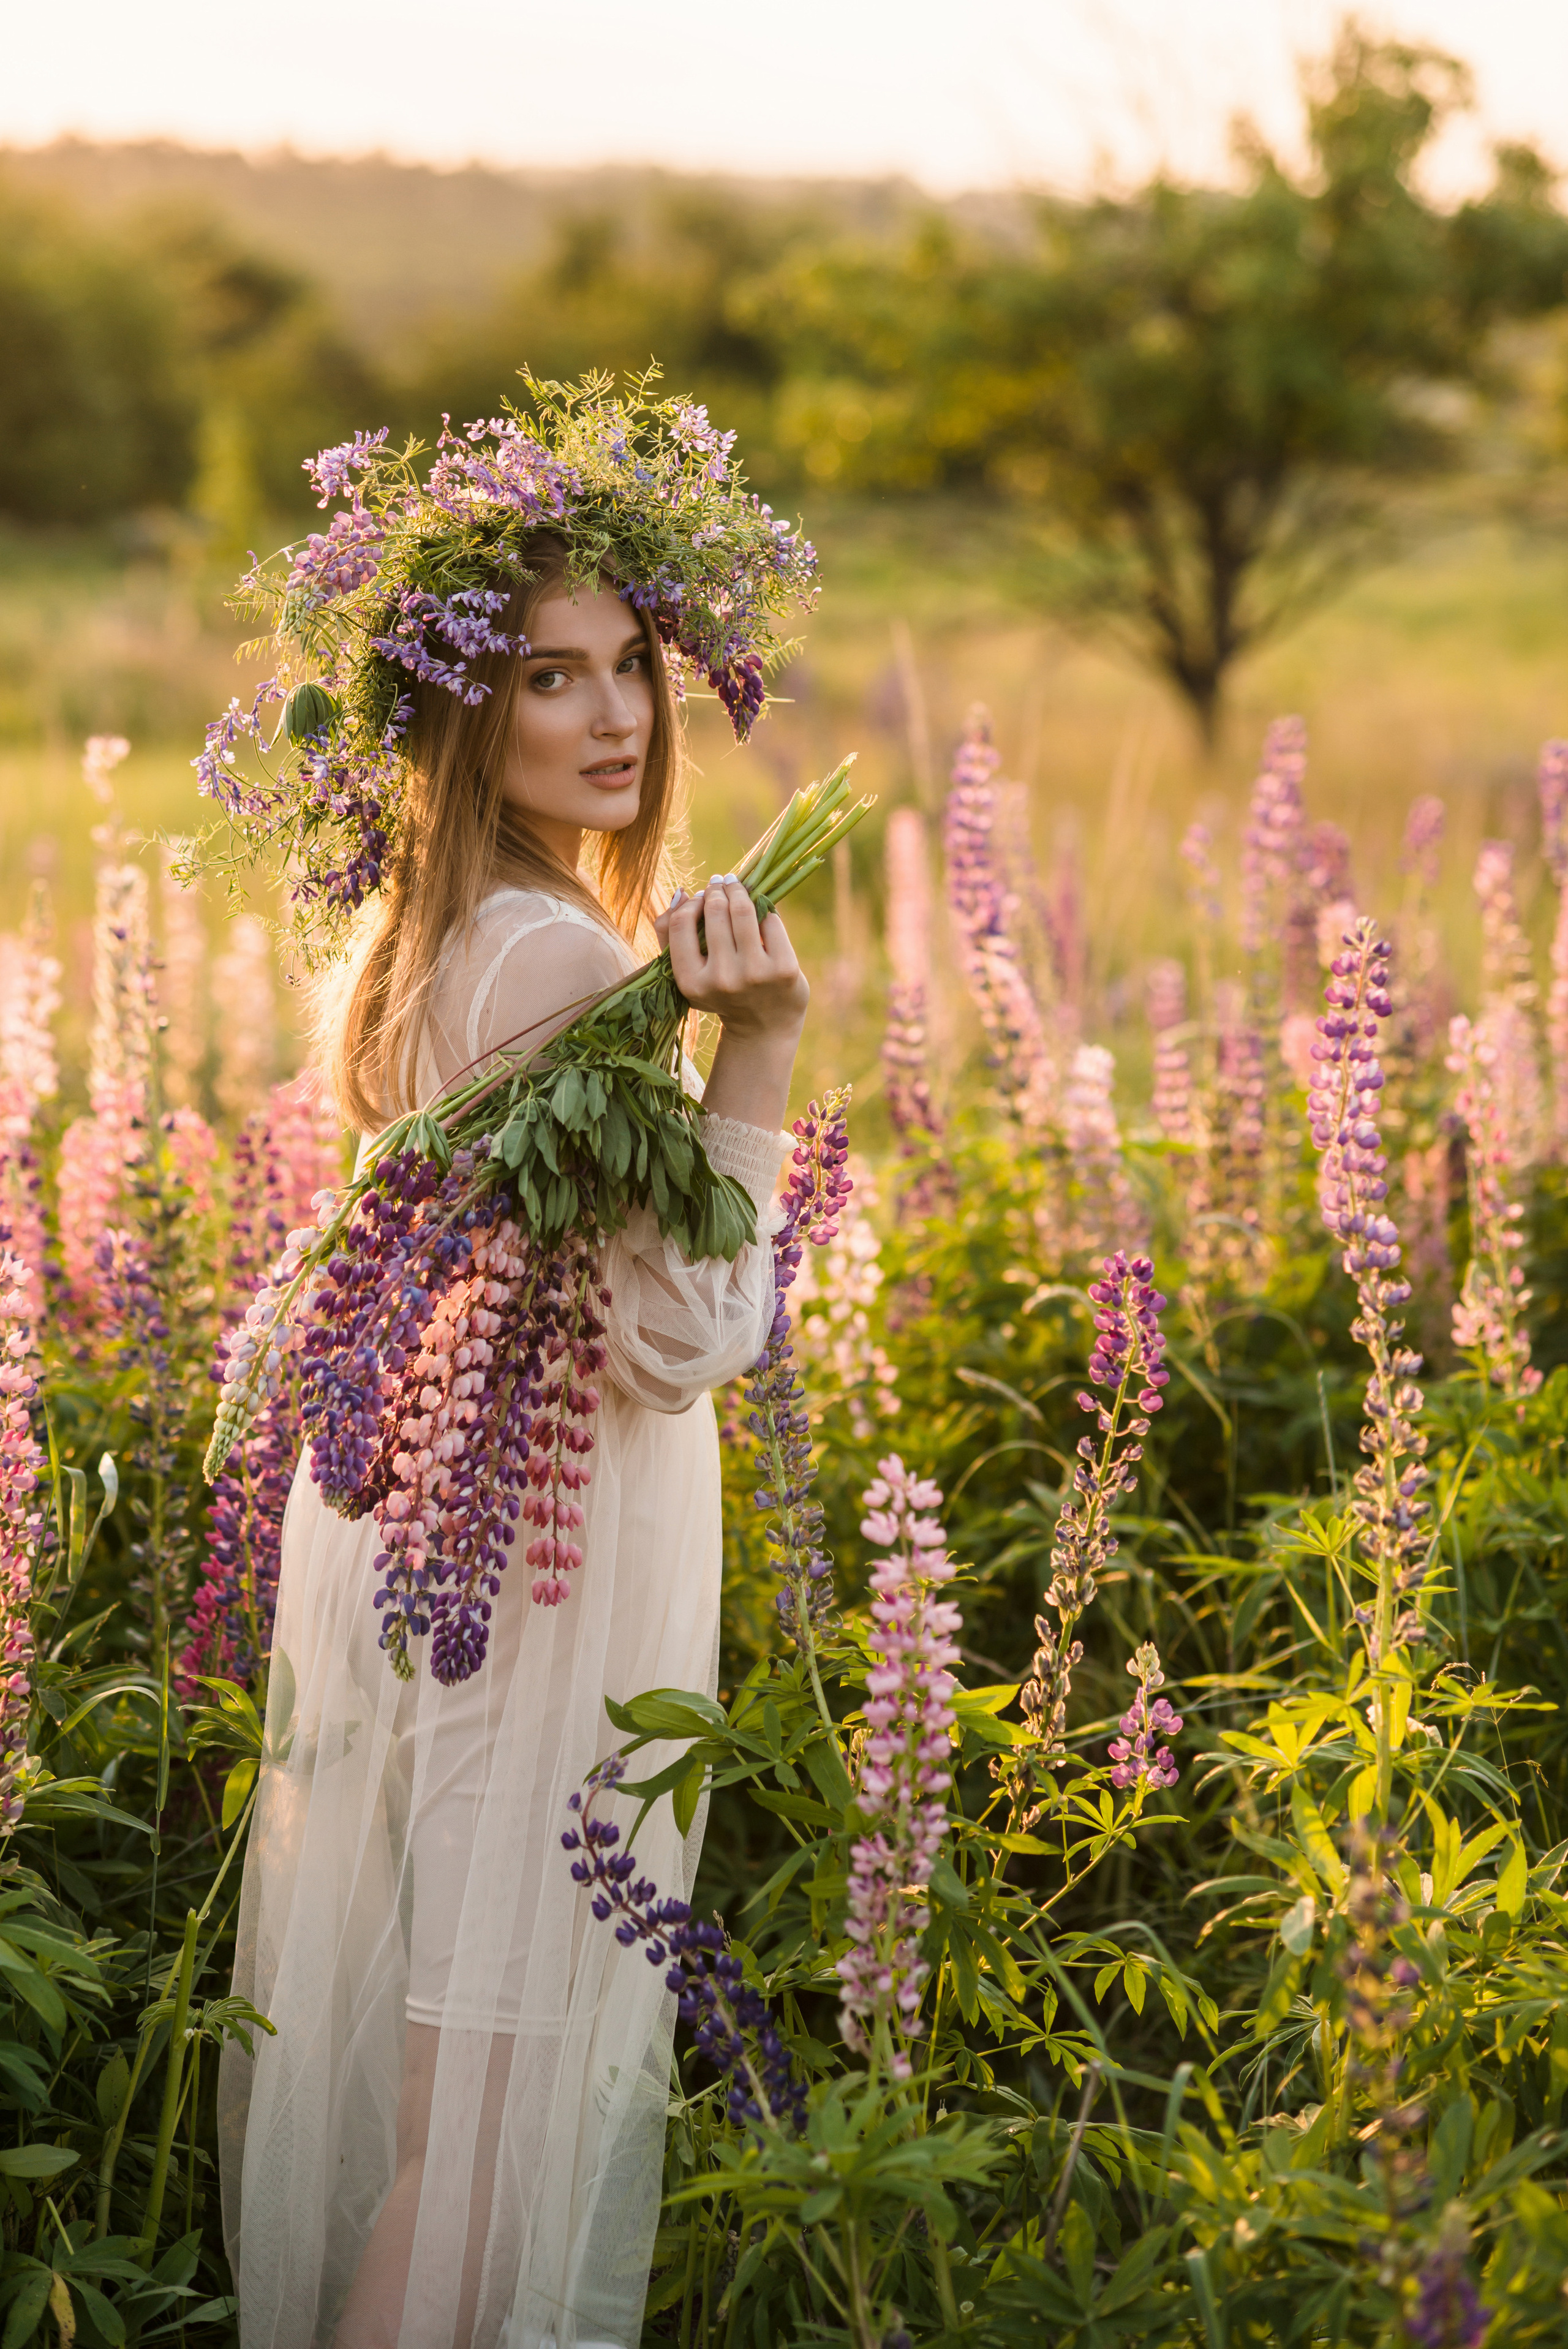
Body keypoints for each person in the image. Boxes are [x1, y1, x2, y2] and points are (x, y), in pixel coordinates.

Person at [213, 390, 818, 2349]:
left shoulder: (439, 934)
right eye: (548, 676)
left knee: (438, 2087)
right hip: (543, 1565)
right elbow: (681, 1333)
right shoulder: (559, 961)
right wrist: (770, 1046)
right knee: (479, 2113)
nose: (614, 715)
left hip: (463, 1547)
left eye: (633, 665)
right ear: (467, 713)